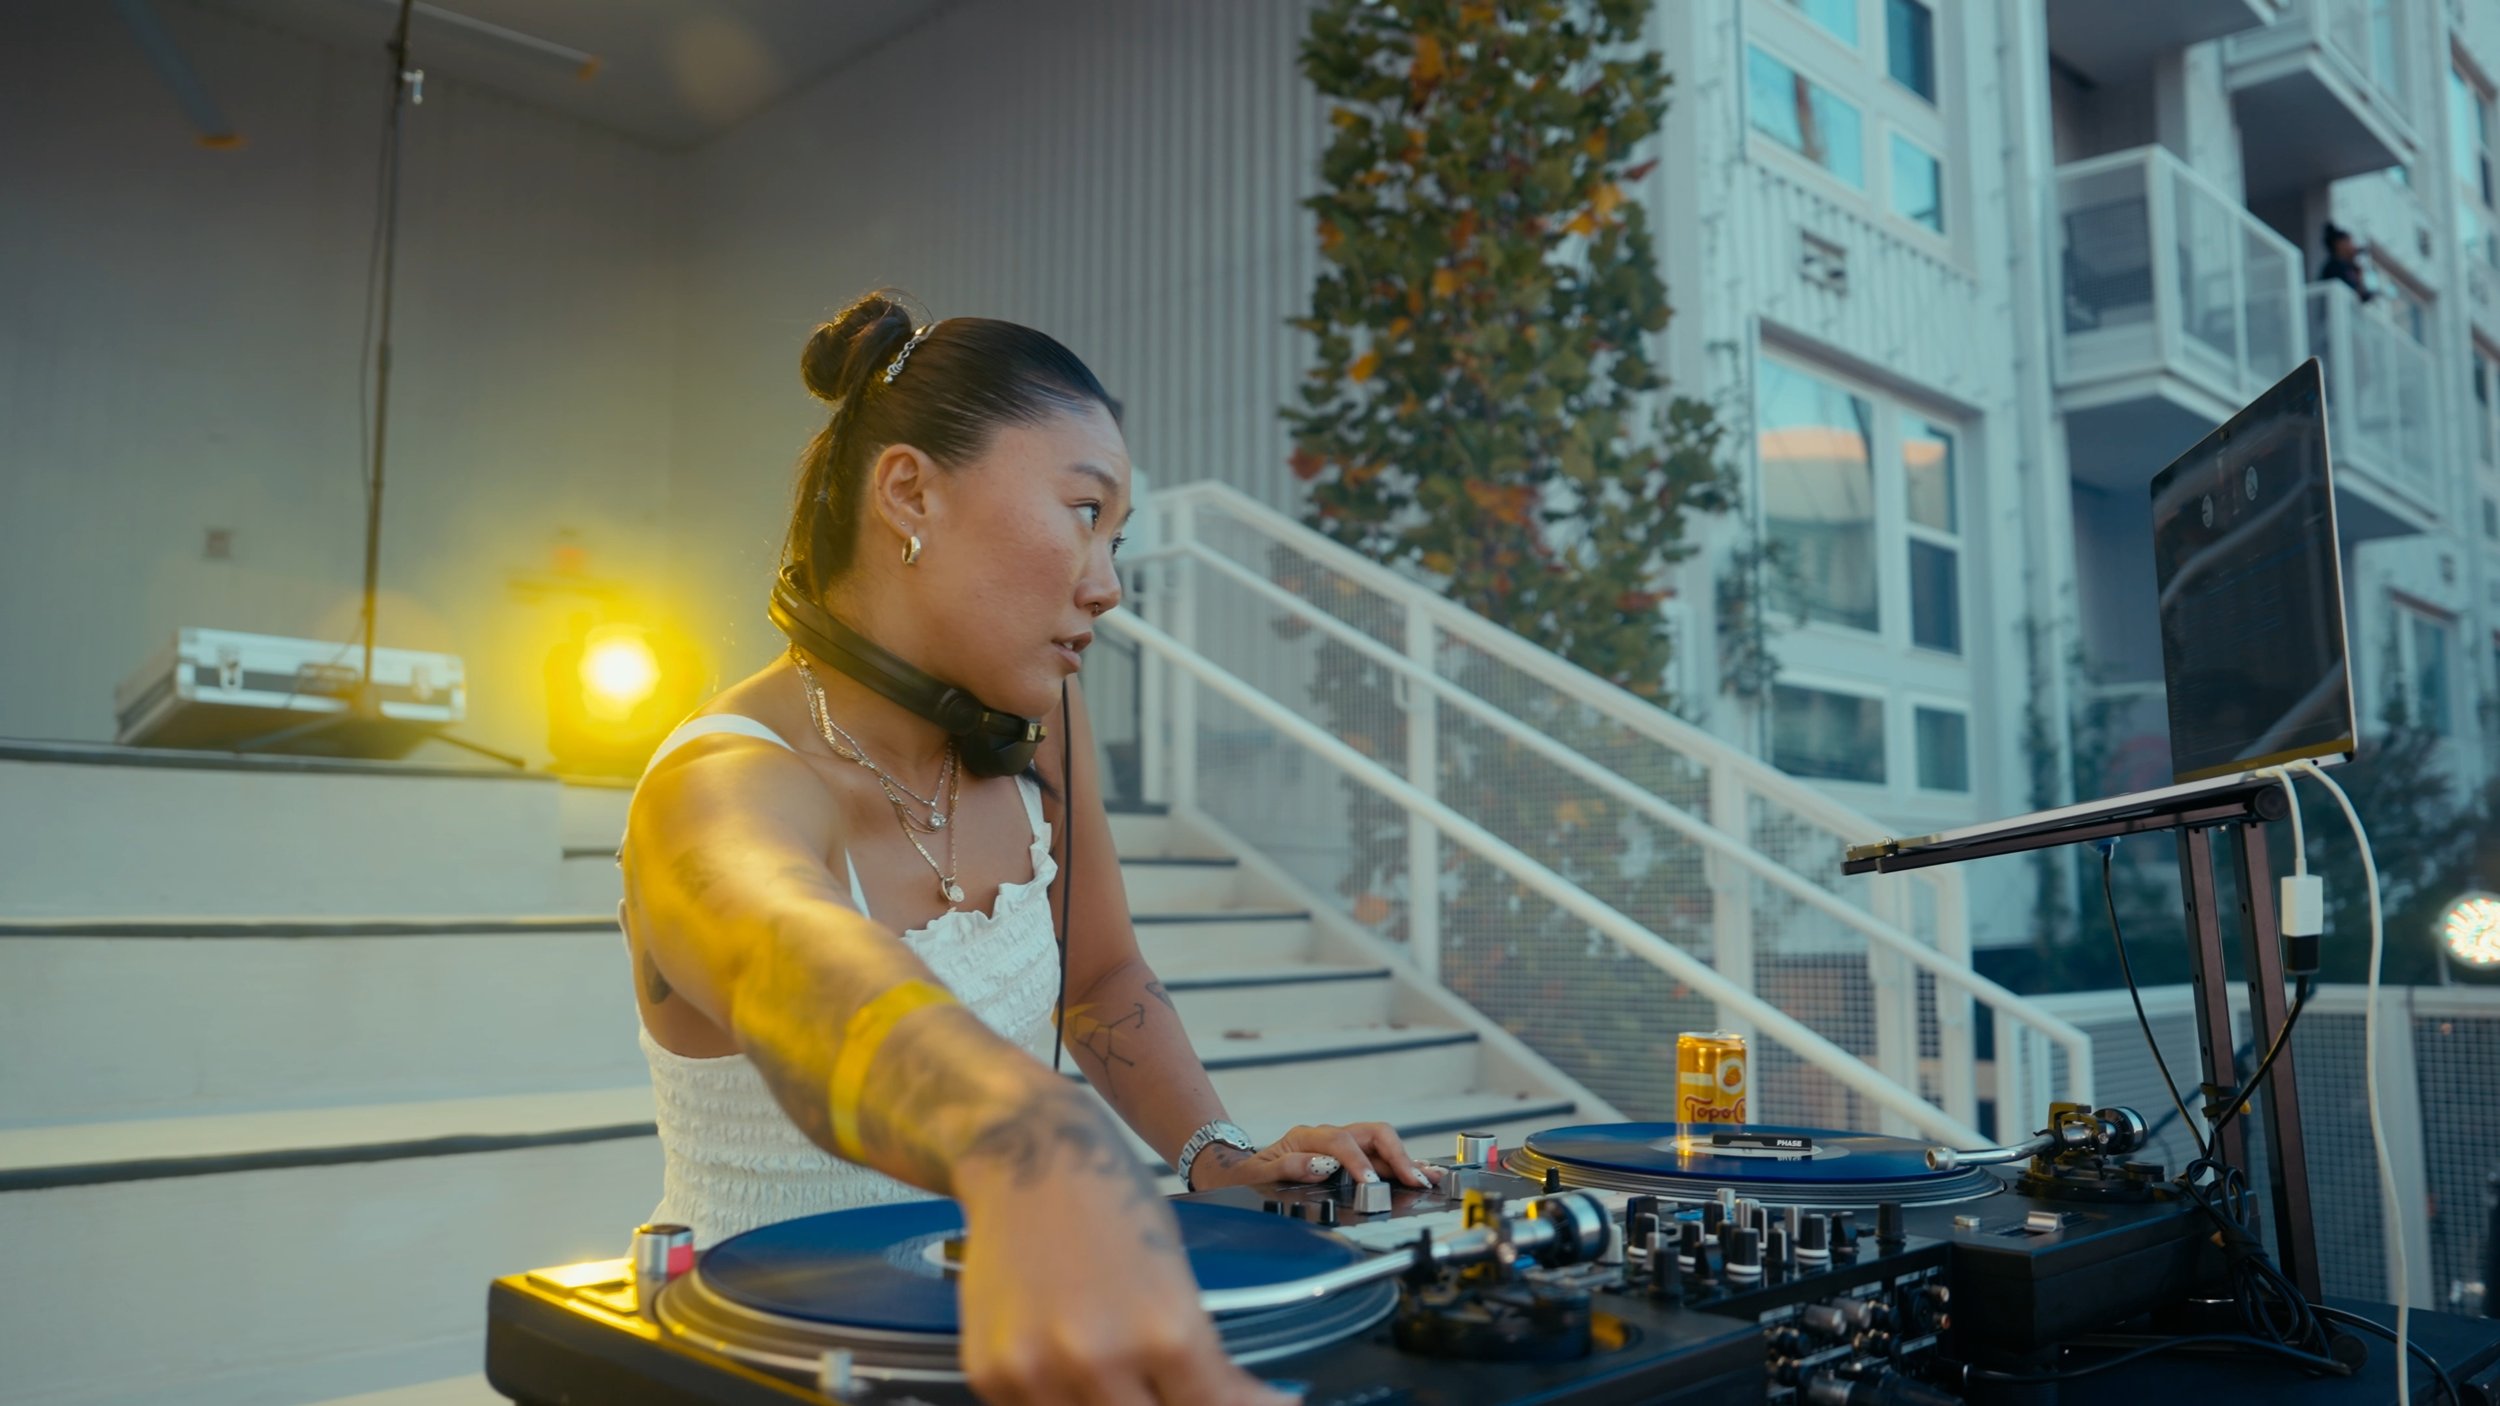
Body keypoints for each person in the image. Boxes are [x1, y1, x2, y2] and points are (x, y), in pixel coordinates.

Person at [618, 291, 1434, 1405]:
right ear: (909, 490)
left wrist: (1215, 1153)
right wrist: (1027, 1129)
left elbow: (1098, 978)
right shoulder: (716, 781)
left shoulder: (1041, 719)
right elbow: (783, 958)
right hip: (759, 1368)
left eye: (1117, 537)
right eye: (1081, 512)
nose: (1106, 583)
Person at [2319, 222, 2373, 303]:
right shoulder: (2333, 267)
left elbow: (2364, 297)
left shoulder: (2350, 268)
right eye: (2349, 241)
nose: (2353, 246)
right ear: (2339, 244)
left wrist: (2359, 278)